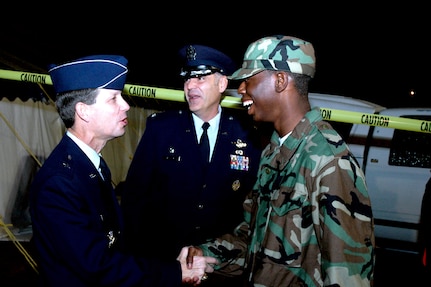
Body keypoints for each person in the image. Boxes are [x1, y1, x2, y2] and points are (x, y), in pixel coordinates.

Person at [186, 35, 376, 286]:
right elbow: (253, 238)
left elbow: (348, 274)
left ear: (279, 80)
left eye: (248, 80)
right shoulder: (273, 152)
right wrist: (206, 256)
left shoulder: (328, 162)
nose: (241, 90)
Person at [29, 54, 217, 287]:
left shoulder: (88, 165)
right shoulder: (59, 183)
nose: (126, 105)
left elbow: (118, 243)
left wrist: (171, 261)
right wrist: (174, 272)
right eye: (113, 99)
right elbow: (97, 266)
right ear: (83, 111)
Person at [120, 45, 262, 285]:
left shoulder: (247, 134)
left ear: (222, 84)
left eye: (201, 77)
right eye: (187, 77)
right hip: (165, 265)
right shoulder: (161, 128)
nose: (190, 85)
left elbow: (252, 206)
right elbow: (135, 198)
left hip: (220, 268)